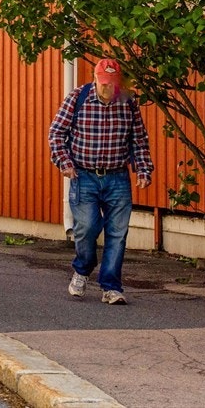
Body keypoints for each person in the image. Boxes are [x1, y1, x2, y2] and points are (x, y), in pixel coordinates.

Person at [48, 57, 154, 306]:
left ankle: (111, 287)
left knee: (117, 234)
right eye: (104, 83)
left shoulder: (128, 102)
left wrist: (143, 169)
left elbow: (139, 138)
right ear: (95, 79)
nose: (108, 88)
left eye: (112, 83)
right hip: (84, 175)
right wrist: (64, 162)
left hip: (117, 176)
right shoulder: (78, 98)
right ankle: (83, 269)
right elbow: (56, 133)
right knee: (86, 227)